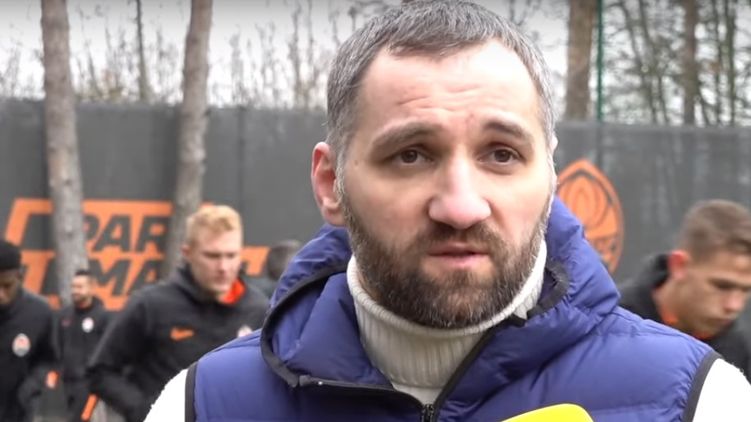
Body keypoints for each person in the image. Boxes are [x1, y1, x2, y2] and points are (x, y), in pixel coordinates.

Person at [148, 1, 751, 421]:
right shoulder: (201, 406)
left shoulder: (698, 403)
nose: (461, 206)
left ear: (550, 177)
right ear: (331, 183)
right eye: (410, 155)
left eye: (501, 154)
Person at [88, 205, 269, 422]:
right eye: (212, 256)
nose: (223, 266)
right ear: (187, 253)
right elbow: (101, 371)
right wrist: (146, 411)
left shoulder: (259, 309)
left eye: (231, 255)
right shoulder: (150, 305)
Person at [620, 199, 751, 381]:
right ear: (679, 265)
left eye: (745, 290)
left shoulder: (737, 350)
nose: (734, 306)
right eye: (721, 286)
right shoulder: (611, 325)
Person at [0, 240, 57, 422]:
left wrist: (31, 386)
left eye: (7, 286)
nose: (0, 294)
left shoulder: (39, 312)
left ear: (20, 277)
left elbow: (48, 359)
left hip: (17, 413)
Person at [56, 268, 111, 422]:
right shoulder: (65, 315)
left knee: (80, 418)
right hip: (68, 381)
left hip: (91, 384)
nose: (75, 291)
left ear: (92, 288)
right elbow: (58, 344)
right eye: (73, 287)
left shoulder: (102, 316)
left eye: (80, 287)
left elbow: (108, 350)